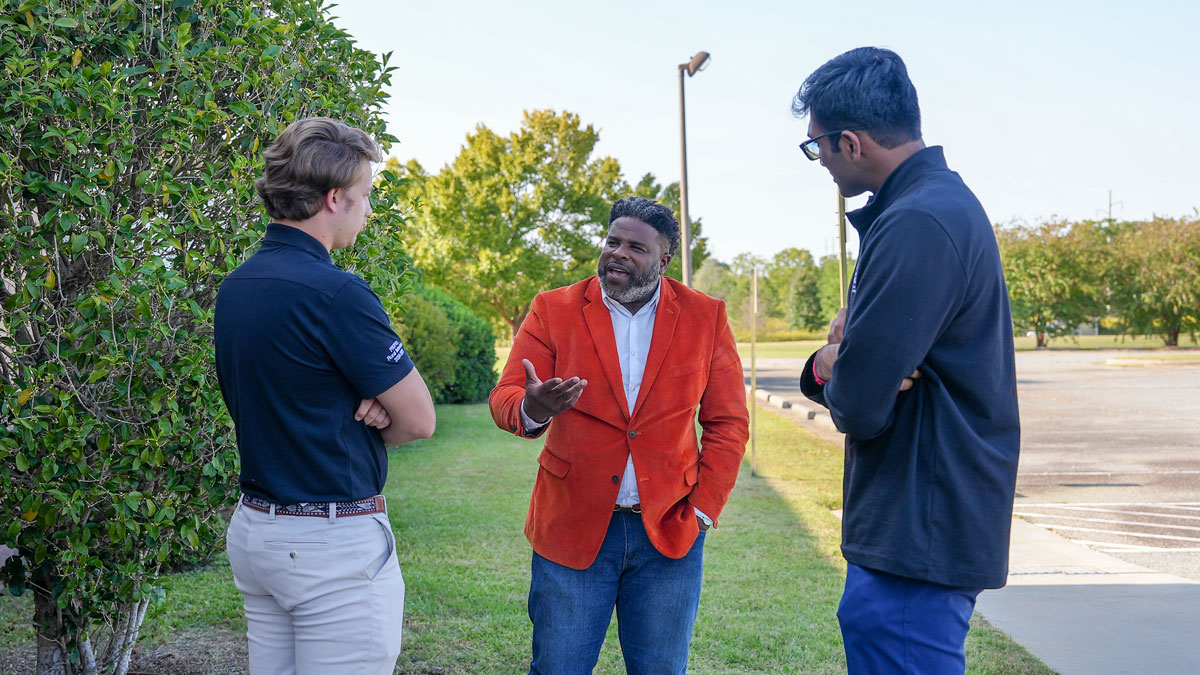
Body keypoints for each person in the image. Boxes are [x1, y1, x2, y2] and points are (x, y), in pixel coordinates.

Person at [793, 48, 1021, 674]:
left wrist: (847, 365)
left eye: (817, 148)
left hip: (922, 514)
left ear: (852, 142)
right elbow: (855, 375)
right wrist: (839, 360)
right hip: (921, 509)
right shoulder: (926, 206)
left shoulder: (918, 220)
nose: (821, 163)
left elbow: (861, 406)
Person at [489, 196, 749, 674]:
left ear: (664, 260)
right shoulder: (553, 309)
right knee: (557, 667)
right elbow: (505, 396)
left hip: (669, 533)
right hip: (571, 525)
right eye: (612, 242)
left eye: (636, 247)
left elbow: (728, 422)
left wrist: (705, 509)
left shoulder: (705, 316)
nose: (619, 254)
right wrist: (533, 407)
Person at [214, 117, 436, 674]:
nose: (368, 211)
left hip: (257, 531)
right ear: (334, 198)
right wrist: (378, 408)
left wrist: (362, 402)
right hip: (327, 545)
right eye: (364, 197)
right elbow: (420, 421)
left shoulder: (236, 286)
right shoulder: (337, 292)